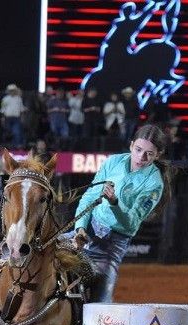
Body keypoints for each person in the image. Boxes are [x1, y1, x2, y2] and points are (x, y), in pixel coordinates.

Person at [70, 124, 170, 302]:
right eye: (138, 150)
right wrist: (79, 228)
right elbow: (89, 197)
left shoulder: (154, 184)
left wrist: (115, 203)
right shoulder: (113, 162)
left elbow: (131, 223)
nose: (141, 157)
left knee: (101, 305)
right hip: (87, 232)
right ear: (131, 146)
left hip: (111, 247)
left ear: (158, 155)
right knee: (39, 254)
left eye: (149, 153)